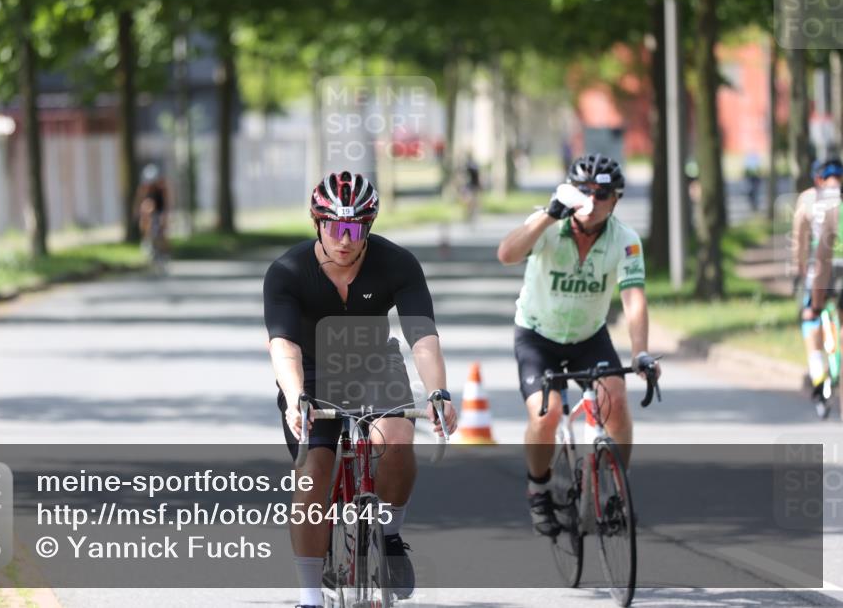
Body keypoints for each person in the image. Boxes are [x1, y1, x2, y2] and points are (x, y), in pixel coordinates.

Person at [263, 170, 458, 607]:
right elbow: (284, 346)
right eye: (334, 227)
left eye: (355, 228)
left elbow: (422, 338)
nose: (344, 238)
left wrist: (438, 392)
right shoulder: (288, 271)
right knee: (313, 471)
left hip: (374, 364)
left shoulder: (397, 264)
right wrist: (296, 396)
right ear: (318, 224)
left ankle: (388, 534)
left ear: (368, 227)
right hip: (311, 372)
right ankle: (310, 597)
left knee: (398, 439)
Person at [495, 153, 661, 537]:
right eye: (584, 190)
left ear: (615, 200)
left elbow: (634, 298)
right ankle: (538, 488)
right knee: (546, 414)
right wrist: (549, 215)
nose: (592, 199)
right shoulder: (548, 224)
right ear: (570, 191)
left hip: (589, 336)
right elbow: (506, 254)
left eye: (602, 193)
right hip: (538, 335)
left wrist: (640, 352)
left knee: (616, 399)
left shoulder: (625, 239)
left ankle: (617, 487)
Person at [792, 157, 843, 401]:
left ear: (817, 179)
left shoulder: (808, 199)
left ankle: (817, 371)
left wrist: (799, 266)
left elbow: (799, 238)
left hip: (820, 268)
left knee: (810, 316)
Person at [133, 163, 170, 260]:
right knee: (146, 208)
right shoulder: (144, 188)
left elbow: (166, 203)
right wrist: (137, 212)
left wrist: (164, 216)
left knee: (162, 229)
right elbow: (139, 200)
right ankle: (146, 239)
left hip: (160, 208)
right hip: (150, 209)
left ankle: (164, 251)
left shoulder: (162, 188)